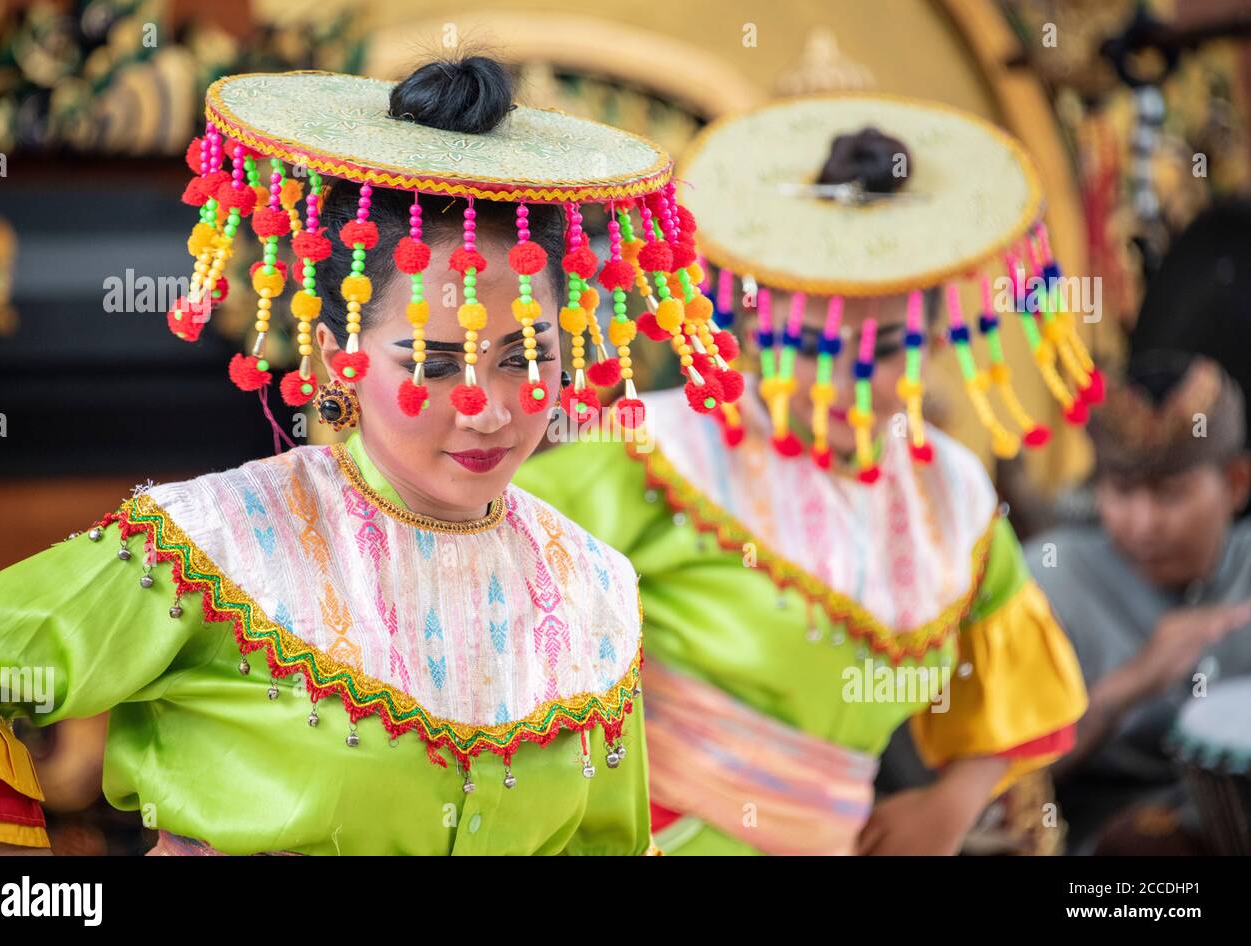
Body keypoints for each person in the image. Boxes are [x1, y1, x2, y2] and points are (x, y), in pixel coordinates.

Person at [0, 55, 742, 855]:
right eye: (432, 365)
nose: (489, 409)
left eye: (525, 355)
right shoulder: (218, 543)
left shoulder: (592, 590)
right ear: (336, 361)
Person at [515, 93, 1095, 855]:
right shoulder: (656, 451)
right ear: (753, 332)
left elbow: (1014, 668)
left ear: (928, 342)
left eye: (885, 350)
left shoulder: (950, 495)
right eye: (815, 349)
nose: (849, 385)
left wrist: (949, 803)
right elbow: (492, 595)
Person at [1025, 351, 1251, 854]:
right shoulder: (1049, 579)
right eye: (1122, 492)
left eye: (1171, 495)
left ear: (1235, 484)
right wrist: (1128, 685)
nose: (1144, 523)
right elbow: (1002, 786)